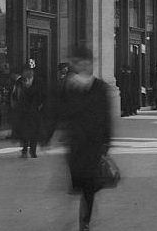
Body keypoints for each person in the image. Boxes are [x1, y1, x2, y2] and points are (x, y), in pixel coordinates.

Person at [50, 45, 112, 231]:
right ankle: (84, 210)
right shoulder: (67, 87)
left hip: (93, 144)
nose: (82, 66)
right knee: (79, 182)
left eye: (85, 62)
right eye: (78, 62)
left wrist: (106, 142)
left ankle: (84, 220)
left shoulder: (100, 87)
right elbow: (57, 112)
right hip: (75, 144)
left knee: (89, 184)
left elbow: (106, 117)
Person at [11, 64, 45, 158]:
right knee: (24, 132)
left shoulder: (38, 81)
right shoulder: (19, 82)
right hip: (23, 111)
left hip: (34, 111)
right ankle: (24, 150)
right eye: (26, 71)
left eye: (30, 70)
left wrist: (40, 106)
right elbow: (15, 95)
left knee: (34, 132)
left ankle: (33, 151)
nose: (28, 73)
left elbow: (42, 95)